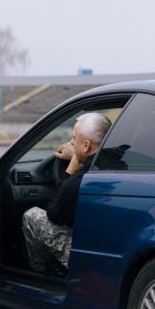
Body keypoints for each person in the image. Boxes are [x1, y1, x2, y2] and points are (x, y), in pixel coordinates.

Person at [22, 112, 112, 276]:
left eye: (74, 139)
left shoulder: (81, 180)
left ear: (86, 145)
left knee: (32, 215)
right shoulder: (120, 161)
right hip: (111, 248)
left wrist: (72, 166)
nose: (71, 143)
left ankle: (43, 274)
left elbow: (55, 214)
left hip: (90, 261)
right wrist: (79, 154)